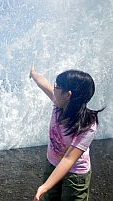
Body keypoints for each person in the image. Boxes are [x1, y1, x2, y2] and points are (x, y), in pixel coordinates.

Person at [29, 65, 104, 201]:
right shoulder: (59, 103)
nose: (54, 88)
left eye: (57, 86)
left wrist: (45, 187)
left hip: (75, 174)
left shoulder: (88, 124)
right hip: (53, 164)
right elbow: (43, 83)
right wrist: (33, 74)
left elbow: (69, 159)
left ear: (68, 95)